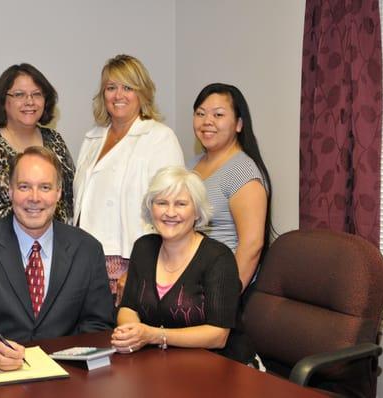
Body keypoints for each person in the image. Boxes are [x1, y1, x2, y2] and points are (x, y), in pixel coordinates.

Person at [0, 146, 114, 370]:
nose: (34, 198)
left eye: (45, 187)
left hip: (66, 376)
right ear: (10, 190)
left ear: (59, 192)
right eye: (24, 187)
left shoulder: (88, 250)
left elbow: (98, 324)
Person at [73, 54, 184, 303]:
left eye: (127, 87)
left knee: (126, 337)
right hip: (87, 260)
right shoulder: (92, 138)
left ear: (142, 93)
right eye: (111, 88)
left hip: (132, 261)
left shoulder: (159, 138)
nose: (118, 95)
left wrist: (138, 269)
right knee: (92, 337)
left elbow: (170, 211)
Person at [111, 166, 249, 363]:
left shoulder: (218, 258)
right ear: (151, 209)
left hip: (217, 367)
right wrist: (132, 333)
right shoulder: (144, 247)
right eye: (161, 203)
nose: (170, 212)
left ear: (197, 212)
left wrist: (152, 335)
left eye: (181, 204)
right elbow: (128, 307)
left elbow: (218, 336)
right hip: (157, 363)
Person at [0, 63, 74, 231]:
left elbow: (69, 202)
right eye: (19, 95)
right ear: (3, 101)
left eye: (36, 94)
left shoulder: (55, 141)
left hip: (54, 250)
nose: (29, 101)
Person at [188, 83, 272, 290]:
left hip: (218, 285)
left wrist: (225, 297)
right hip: (190, 282)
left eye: (218, 115)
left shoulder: (242, 172)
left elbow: (251, 246)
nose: (207, 121)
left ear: (238, 124)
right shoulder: (189, 166)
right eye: (200, 113)